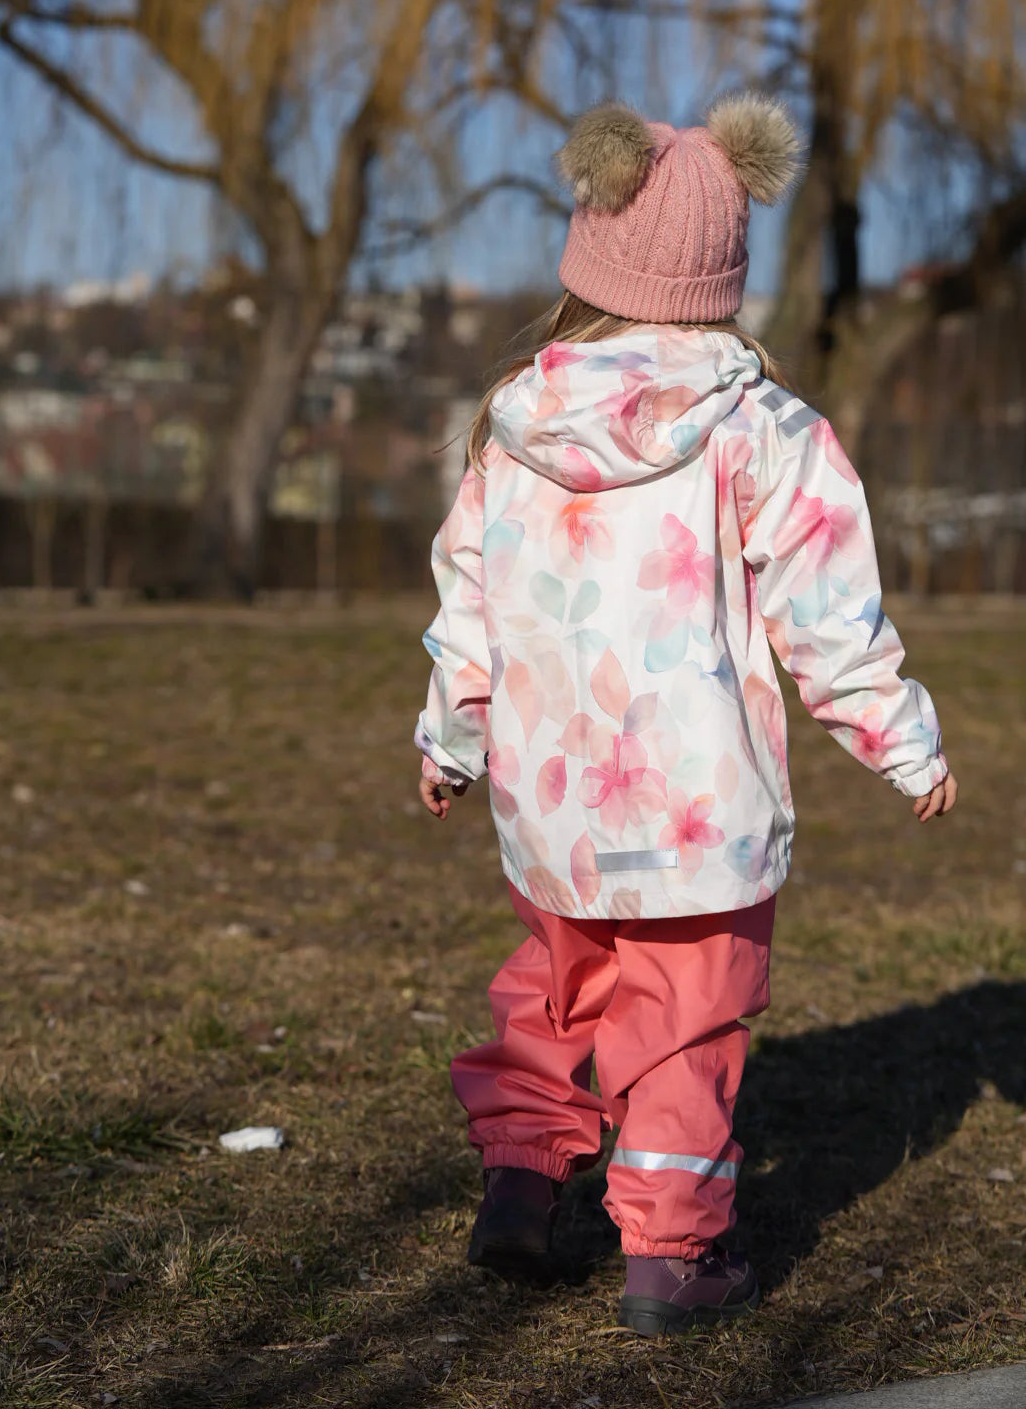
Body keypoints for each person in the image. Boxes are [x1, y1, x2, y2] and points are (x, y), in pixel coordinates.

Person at [413, 96, 957, 1337]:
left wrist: (451, 732)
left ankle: (521, 1178)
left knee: (553, 987)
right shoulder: (767, 431)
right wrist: (903, 738)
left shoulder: (512, 423)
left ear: (588, 255)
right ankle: (672, 1257)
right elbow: (829, 613)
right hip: (699, 810)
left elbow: (470, 604)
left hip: (552, 802)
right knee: (684, 1014)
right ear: (725, 271)